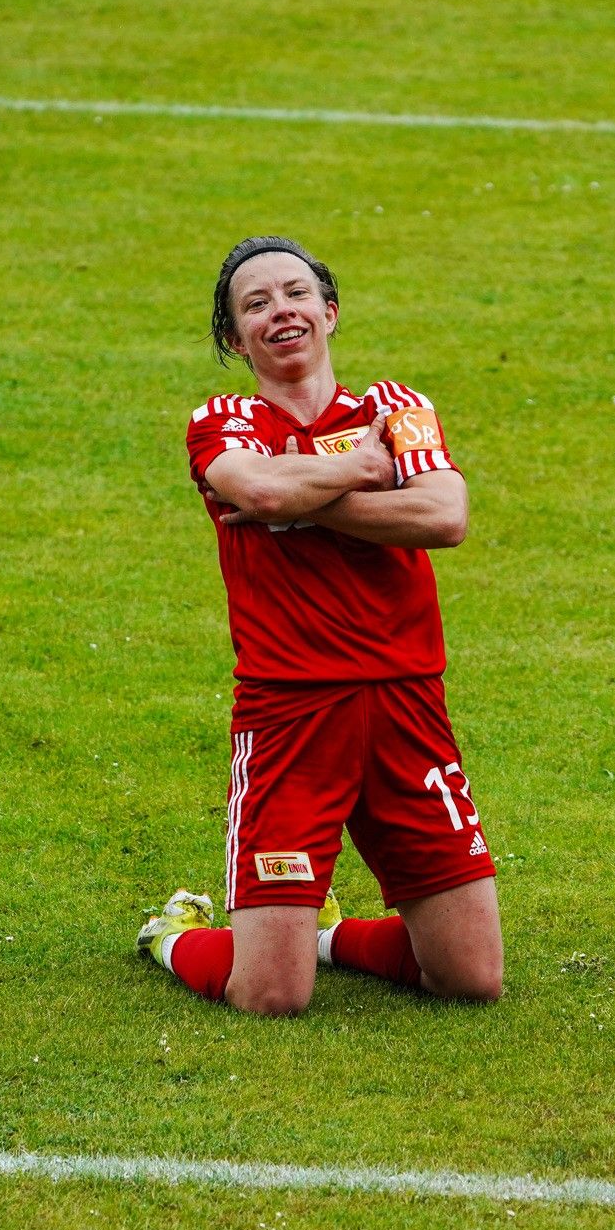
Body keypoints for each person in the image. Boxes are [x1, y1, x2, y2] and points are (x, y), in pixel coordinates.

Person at [135, 235, 503, 1016]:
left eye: (296, 294)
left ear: (329, 313)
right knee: (270, 995)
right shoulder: (224, 418)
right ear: (235, 339)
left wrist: (305, 496)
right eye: (256, 304)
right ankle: (170, 935)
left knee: (472, 979)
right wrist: (365, 471)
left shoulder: (395, 408)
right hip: (291, 714)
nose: (281, 312)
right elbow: (256, 491)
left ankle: (327, 935)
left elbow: (443, 514)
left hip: (409, 706)